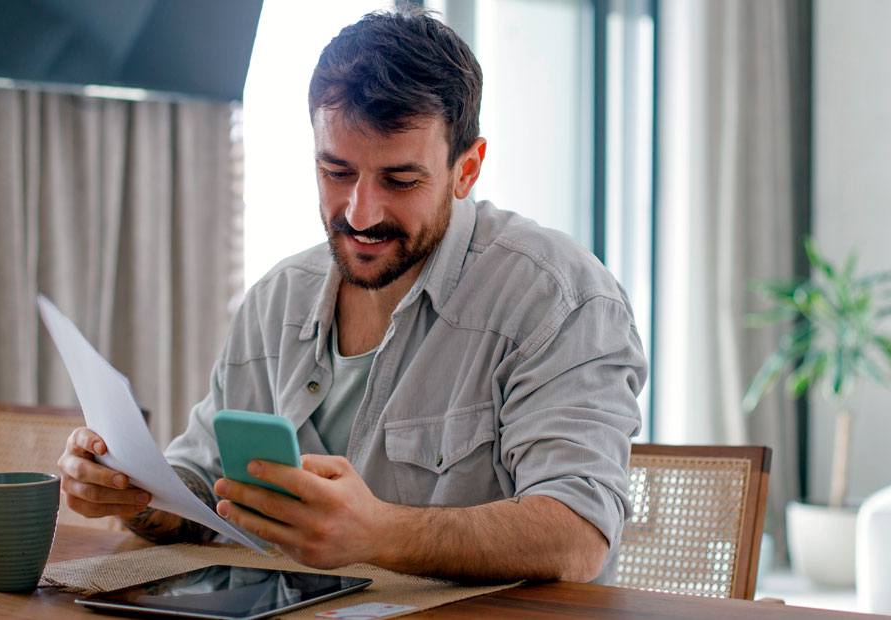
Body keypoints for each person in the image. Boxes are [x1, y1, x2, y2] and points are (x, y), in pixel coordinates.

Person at [57, 9, 645, 584]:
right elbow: (202, 489)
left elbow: (576, 536)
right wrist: (132, 493)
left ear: (466, 170)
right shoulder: (277, 300)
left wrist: (379, 534)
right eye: (336, 172)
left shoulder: (558, 299)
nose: (360, 213)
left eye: (400, 180)